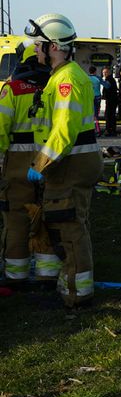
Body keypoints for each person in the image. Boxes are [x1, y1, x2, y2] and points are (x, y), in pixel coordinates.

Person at [25, 13, 102, 308]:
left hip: (71, 163)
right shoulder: (61, 76)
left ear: (54, 47)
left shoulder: (66, 79)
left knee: (68, 227)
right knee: (69, 224)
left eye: (38, 45)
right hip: (70, 162)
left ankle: (76, 293)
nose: (35, 50)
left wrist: (40, 165)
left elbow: (63, 130)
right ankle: (72, 285)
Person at [0, 43, 54, 288]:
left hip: (18, 163)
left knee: (16, 218)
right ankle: (48, 274)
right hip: (50, 160)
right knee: (49, 216)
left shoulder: (11, 89)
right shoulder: (55, 88)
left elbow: (1, 128)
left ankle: (16, 275)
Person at [100, 67, 119, 136]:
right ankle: (112, 130)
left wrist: (104, 96)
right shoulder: (110, 79)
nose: (104, 74)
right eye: (103, 72)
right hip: (112, 100)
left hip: (111, 100)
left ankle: (109, 130)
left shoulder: (109, 79)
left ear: (109, 73)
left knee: (108, 115)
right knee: (111, 115)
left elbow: (107, 88)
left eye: (106, 72)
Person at [88, 69, 103, 135]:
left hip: (90, 97)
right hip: (97, 97)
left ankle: (93, 129)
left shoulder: (87, 78)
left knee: (91, 113)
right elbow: (107, 85)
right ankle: (97, 130)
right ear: (95, 71)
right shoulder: (98, 78)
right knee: (96, 114)